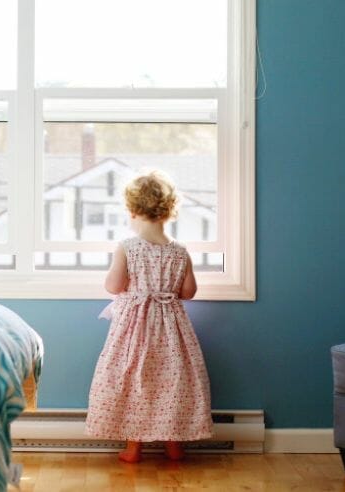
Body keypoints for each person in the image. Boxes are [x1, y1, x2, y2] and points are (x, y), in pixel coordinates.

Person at [85, 170, 213, 463]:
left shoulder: (128, 247)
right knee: (174, 380)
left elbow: (114, 286)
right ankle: (174, 446)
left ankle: (133, 449)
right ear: (169, 210)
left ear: (132, 210)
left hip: (135, 330)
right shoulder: (179, 251)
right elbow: (189, 291)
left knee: (135, 380)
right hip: (172, 329)